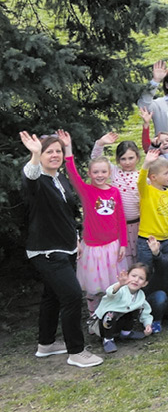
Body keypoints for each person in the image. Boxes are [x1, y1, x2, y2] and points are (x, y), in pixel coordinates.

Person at [19, 131, 103, 368]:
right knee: (71, 296)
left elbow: (67, 213)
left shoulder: (60, 178)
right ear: (40, 154)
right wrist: (35, 154)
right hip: (46, 251)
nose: (54, 155)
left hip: (65, 247)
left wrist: (75, 239)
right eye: (49, 151)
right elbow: (30, 174)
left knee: (52, 296)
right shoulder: (37, 180)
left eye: (57, 151)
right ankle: (76, 351)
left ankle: (45, 345)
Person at [57, 132, 128, 314]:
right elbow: (72, 172)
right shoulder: (87, 191)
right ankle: (93, 315)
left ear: (109, 172)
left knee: (113, 285)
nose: (100, 175)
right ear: (89, 174)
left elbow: (121, 219)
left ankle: (112, 315)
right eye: (95, 172)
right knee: (94, 288)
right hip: (93, 248)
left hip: (113, 247)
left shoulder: (114, 192)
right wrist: (68, 147)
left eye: (103, 171)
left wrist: (123, 244)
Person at [89, 264, 154, 354]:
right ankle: (108, 339)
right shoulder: (121, 288)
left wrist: (148, 325)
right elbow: (110, 293)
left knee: (136, 308)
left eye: (141, 278)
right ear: (127, 276)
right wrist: (119, 284)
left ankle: (126, 333)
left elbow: (145, 312)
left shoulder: (140, 296)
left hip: (119, 323)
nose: (136, 280)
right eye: (133, 276)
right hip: (103, 325)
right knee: (111, 314)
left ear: (145, 283)